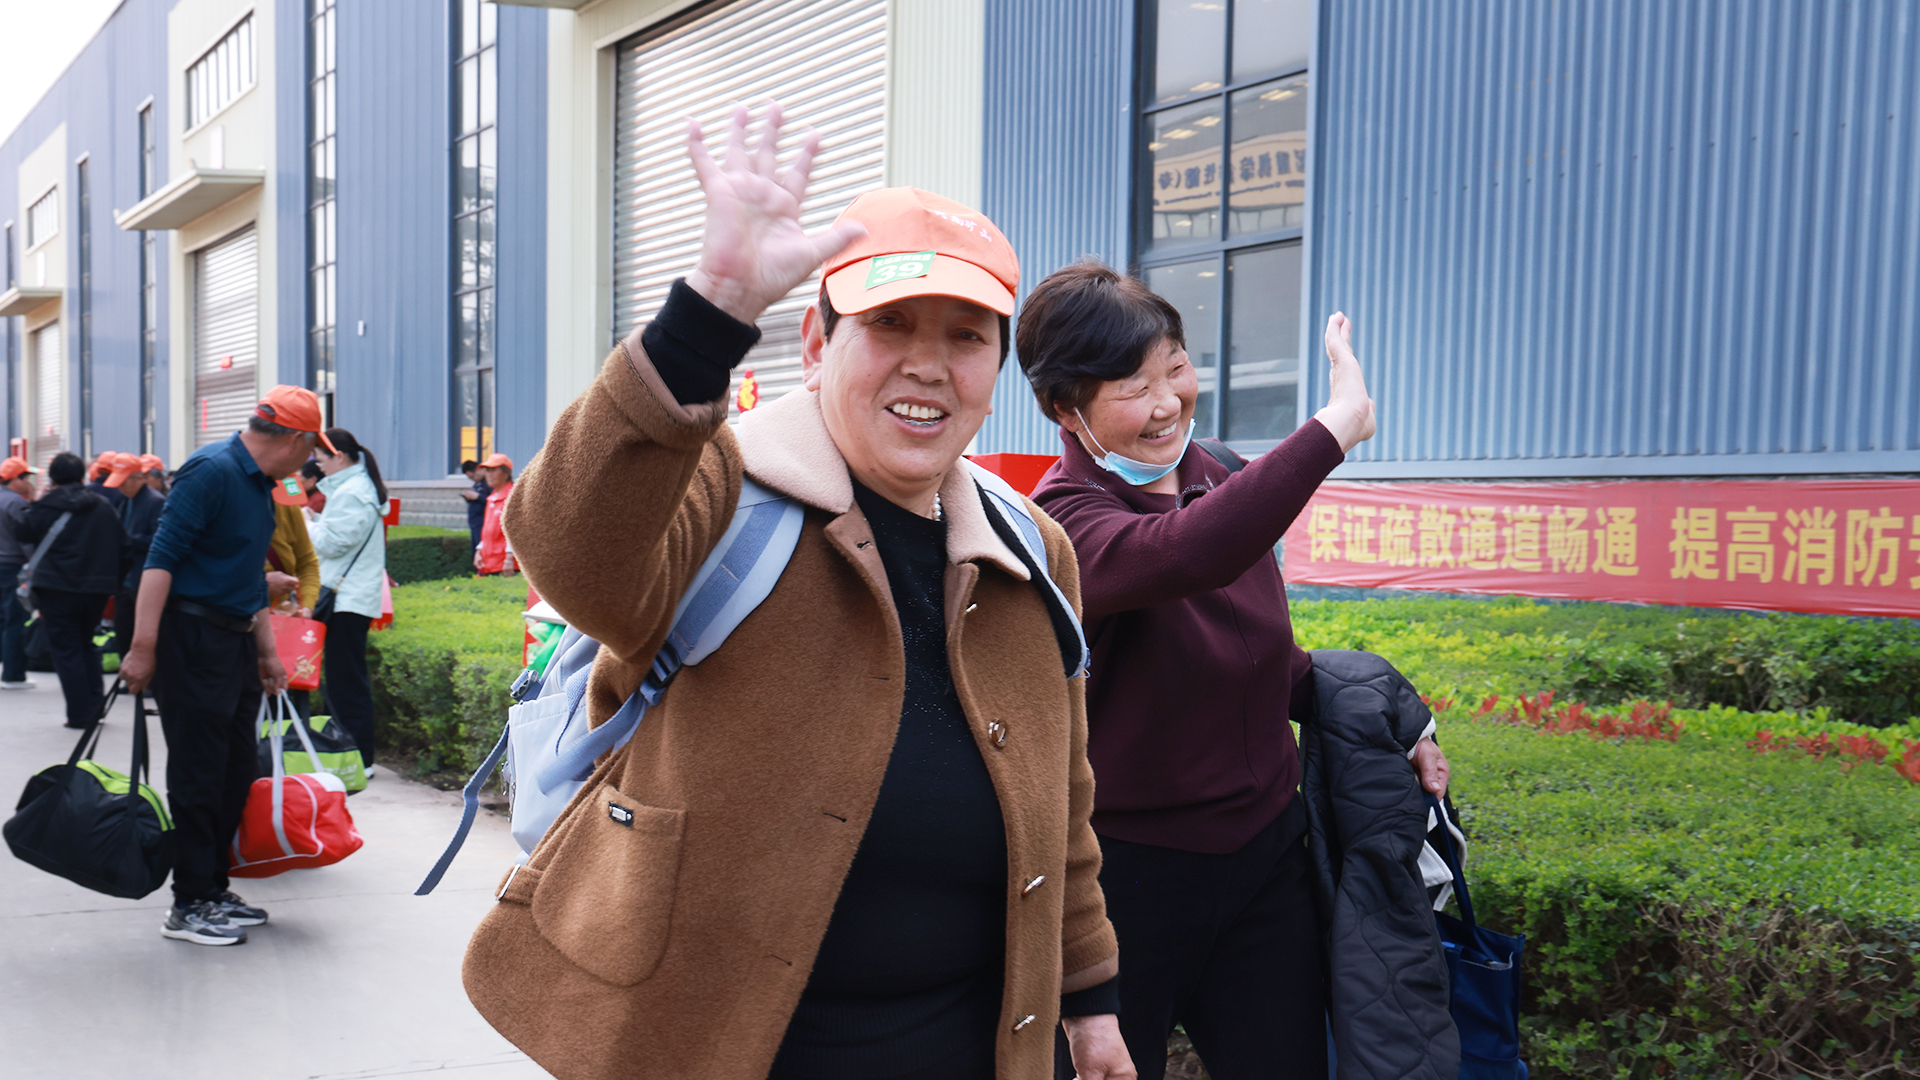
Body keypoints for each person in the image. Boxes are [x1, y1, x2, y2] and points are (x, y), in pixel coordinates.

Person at [462, 105, 1131, 1080]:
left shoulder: (1032, 548)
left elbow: (1062, 799)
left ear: (996, 370)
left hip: (965, 1044)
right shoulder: (719, 485)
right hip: (718, 1048)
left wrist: (1091, 1000)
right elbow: (571, 547)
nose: (928, 364)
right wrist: (706, 316)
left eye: (967, 336)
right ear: (817, 343)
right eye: (888, 324)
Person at [1016, 263, 1448, 1080]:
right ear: (1064, 409)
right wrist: (1333, 429)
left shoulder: (1217, 469)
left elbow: (1263, 657)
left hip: (1265, 861)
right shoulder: (1062, 522)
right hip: (1126, 879)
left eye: (1176, 368)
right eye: (1133, 387)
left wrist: (1396, 723)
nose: (1167, 403)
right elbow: (1193, 553)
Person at [120, 386, 320, 947]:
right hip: (192, 639)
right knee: (199, 771)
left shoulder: (259, 485)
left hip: (234, 641)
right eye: (311, 449)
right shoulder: (211, 470)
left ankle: (213, 886)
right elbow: (161, 560)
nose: (309, 461)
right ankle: (189, 903)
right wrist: (142, 646)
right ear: (296, 440)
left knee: (235, 770)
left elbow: (247, 576)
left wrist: (267, 653)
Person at [15, 452, 130, 729]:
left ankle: (80, 714)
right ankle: (95, 705)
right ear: (83, 475)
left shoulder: (46, 505)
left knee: (66, 650)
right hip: (96, 590)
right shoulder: (102, 506)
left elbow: (23, 533)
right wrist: (111, 582)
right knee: (86, 643)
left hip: (56, 588)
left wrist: (31, 502)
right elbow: (124, 548)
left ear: (52, 477)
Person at [308, 427, 389, 768]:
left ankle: (358, 758)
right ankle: (349, 755)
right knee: (343, 680)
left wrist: (304, 523)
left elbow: (333, 543)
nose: (318, 465)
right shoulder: (353, 488)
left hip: (346, 601)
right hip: (349, 598)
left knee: (345, 683)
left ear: (339, 457)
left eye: (320, 459)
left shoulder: (352, 492)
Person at [265, 476, 322, 717]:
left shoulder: (287, 506)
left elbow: (307, 562)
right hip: (235, 628)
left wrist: (306, 607)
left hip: (282, 625)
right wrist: (262, 585)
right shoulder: (229, 501)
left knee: (281, 710)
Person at [104, 453, 167, 658]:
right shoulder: (125, 501)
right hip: (126, 582)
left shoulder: (155, 502)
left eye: (123, 482)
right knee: (123, 633)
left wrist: (129, 539)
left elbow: (160, 541)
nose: (120, 488)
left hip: (143, 580)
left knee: (145, 635)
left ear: (139, 478)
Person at [1, 456, 41, 690]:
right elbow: (27, 538)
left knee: (3, 620)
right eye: (26, 478)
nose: (29, 483)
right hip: (13, 567)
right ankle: (13, 674)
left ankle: (6, 667)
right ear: (15, 479)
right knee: (16, 620)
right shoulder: (16, 503)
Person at [472, 453, 513, 574]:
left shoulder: (512, 497)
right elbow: (488, 531)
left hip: (505, 565)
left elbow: (517, 532)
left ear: (506, 473)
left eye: (494, 470)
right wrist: (479, 550)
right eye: (487, 471)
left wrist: (509, 559)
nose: (489, 475)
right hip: (490, 564)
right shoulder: (491, 498)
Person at [460, 459, 490, 557]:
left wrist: (478, 497)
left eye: (473, 476)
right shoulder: (477, 484)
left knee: (483, 553)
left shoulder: (489, 483)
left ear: (478, 469)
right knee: (476, 553)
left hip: (483, 522)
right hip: (475, 523)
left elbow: (494, 501)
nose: (473, 479)